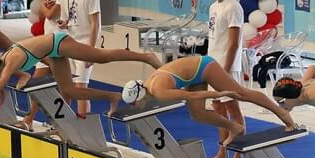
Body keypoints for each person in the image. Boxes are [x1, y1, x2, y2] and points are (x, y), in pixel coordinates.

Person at [0, 33, 161, 115]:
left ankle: (146, 57)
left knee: (101, 56)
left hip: (58, 43)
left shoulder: (9, 63)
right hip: (52, 54)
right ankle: (113, 97)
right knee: (69, 91)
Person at [122, 54, 297, 140]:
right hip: (192, 76)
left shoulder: (159, 91)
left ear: (138, 98)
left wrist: (219, 94)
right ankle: (235, 128)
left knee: (241, 94)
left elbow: (194, 95)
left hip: (204, 66)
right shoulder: (146, 86)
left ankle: (283, 114)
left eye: (133, 104)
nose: (133, 107)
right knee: (197, 114)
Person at [202, 0, 246, 158]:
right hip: (213, 66)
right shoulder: (213, 8)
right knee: (218, 112)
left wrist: (225, 71)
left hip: (227, 68)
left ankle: (238, 156)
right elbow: (214, 40)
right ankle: (222, 153)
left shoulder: (233, 7)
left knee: (234, 111)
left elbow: (233, 43)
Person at [53, 0, 101, 79]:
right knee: (70, 88)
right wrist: (63, 24)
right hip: (70, 44)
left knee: (81, 87)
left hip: (85, 44)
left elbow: (95, 24)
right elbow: (66, 20)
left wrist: (91, 50)